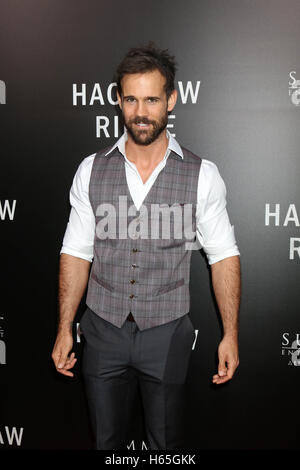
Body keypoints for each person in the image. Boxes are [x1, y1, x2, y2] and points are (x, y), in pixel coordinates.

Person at [51, 42, 241, 450]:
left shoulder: (202, 174)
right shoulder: (91, 169)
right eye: (132, 99)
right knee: (105, 444)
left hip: (167, 334)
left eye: (152, 99)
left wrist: (231, 334)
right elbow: (77, 251)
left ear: (171, 99)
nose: (141, 112)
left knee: (166, 446)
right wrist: (65, 327)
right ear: (118, 100)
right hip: (101, 331)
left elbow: (223, 255)